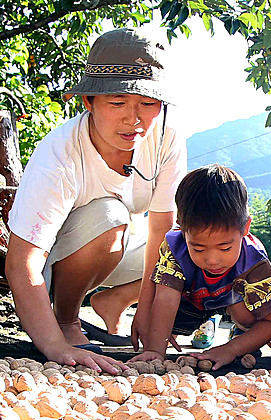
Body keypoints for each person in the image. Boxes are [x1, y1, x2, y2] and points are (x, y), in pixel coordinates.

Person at [5, 28, 186, 373]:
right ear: (88, 102)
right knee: (110, 216)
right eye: (117, 102)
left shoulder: (166, 138)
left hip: (116, 249)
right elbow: (22, 262)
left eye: (148, 104)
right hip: (56, 259)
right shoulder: (60, 155)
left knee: (192, 247)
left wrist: (147, 314)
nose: (133, 119)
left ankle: (113, 300)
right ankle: (68, 319)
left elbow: (162, 228)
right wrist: (56, 348)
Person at [131, 164, 271, 369]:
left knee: (247, 315)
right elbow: (164, 298)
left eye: (225, 248)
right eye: (198, 249)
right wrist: (155, 350)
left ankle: (241, 333)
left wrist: (230, 349)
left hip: (235, 301)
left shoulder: (254, 262)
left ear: (245, 228)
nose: (212, 260)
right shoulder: (175, 248)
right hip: (191, 301)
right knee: (160, 322)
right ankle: (200, 325)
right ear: (182, 230)